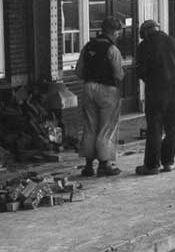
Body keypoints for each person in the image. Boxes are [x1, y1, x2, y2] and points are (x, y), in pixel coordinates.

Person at [134, 19, 175, 175]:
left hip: (156, 92)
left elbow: (141, 72)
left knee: (155, 128)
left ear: (144, 33)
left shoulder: (144, 46)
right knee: (173, 129)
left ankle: (151, 166)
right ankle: (168, 162)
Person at [76, 17, 124, 177]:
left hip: (88, 87)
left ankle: (88, 165)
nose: (118, 35)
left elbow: (79, 72)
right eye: (118, 32)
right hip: (107, 90)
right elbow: (119, 74)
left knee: (90, 126)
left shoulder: (87, 47)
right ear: (113, 31)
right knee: (107, 127)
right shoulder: (112, 50)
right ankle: (105, 164)